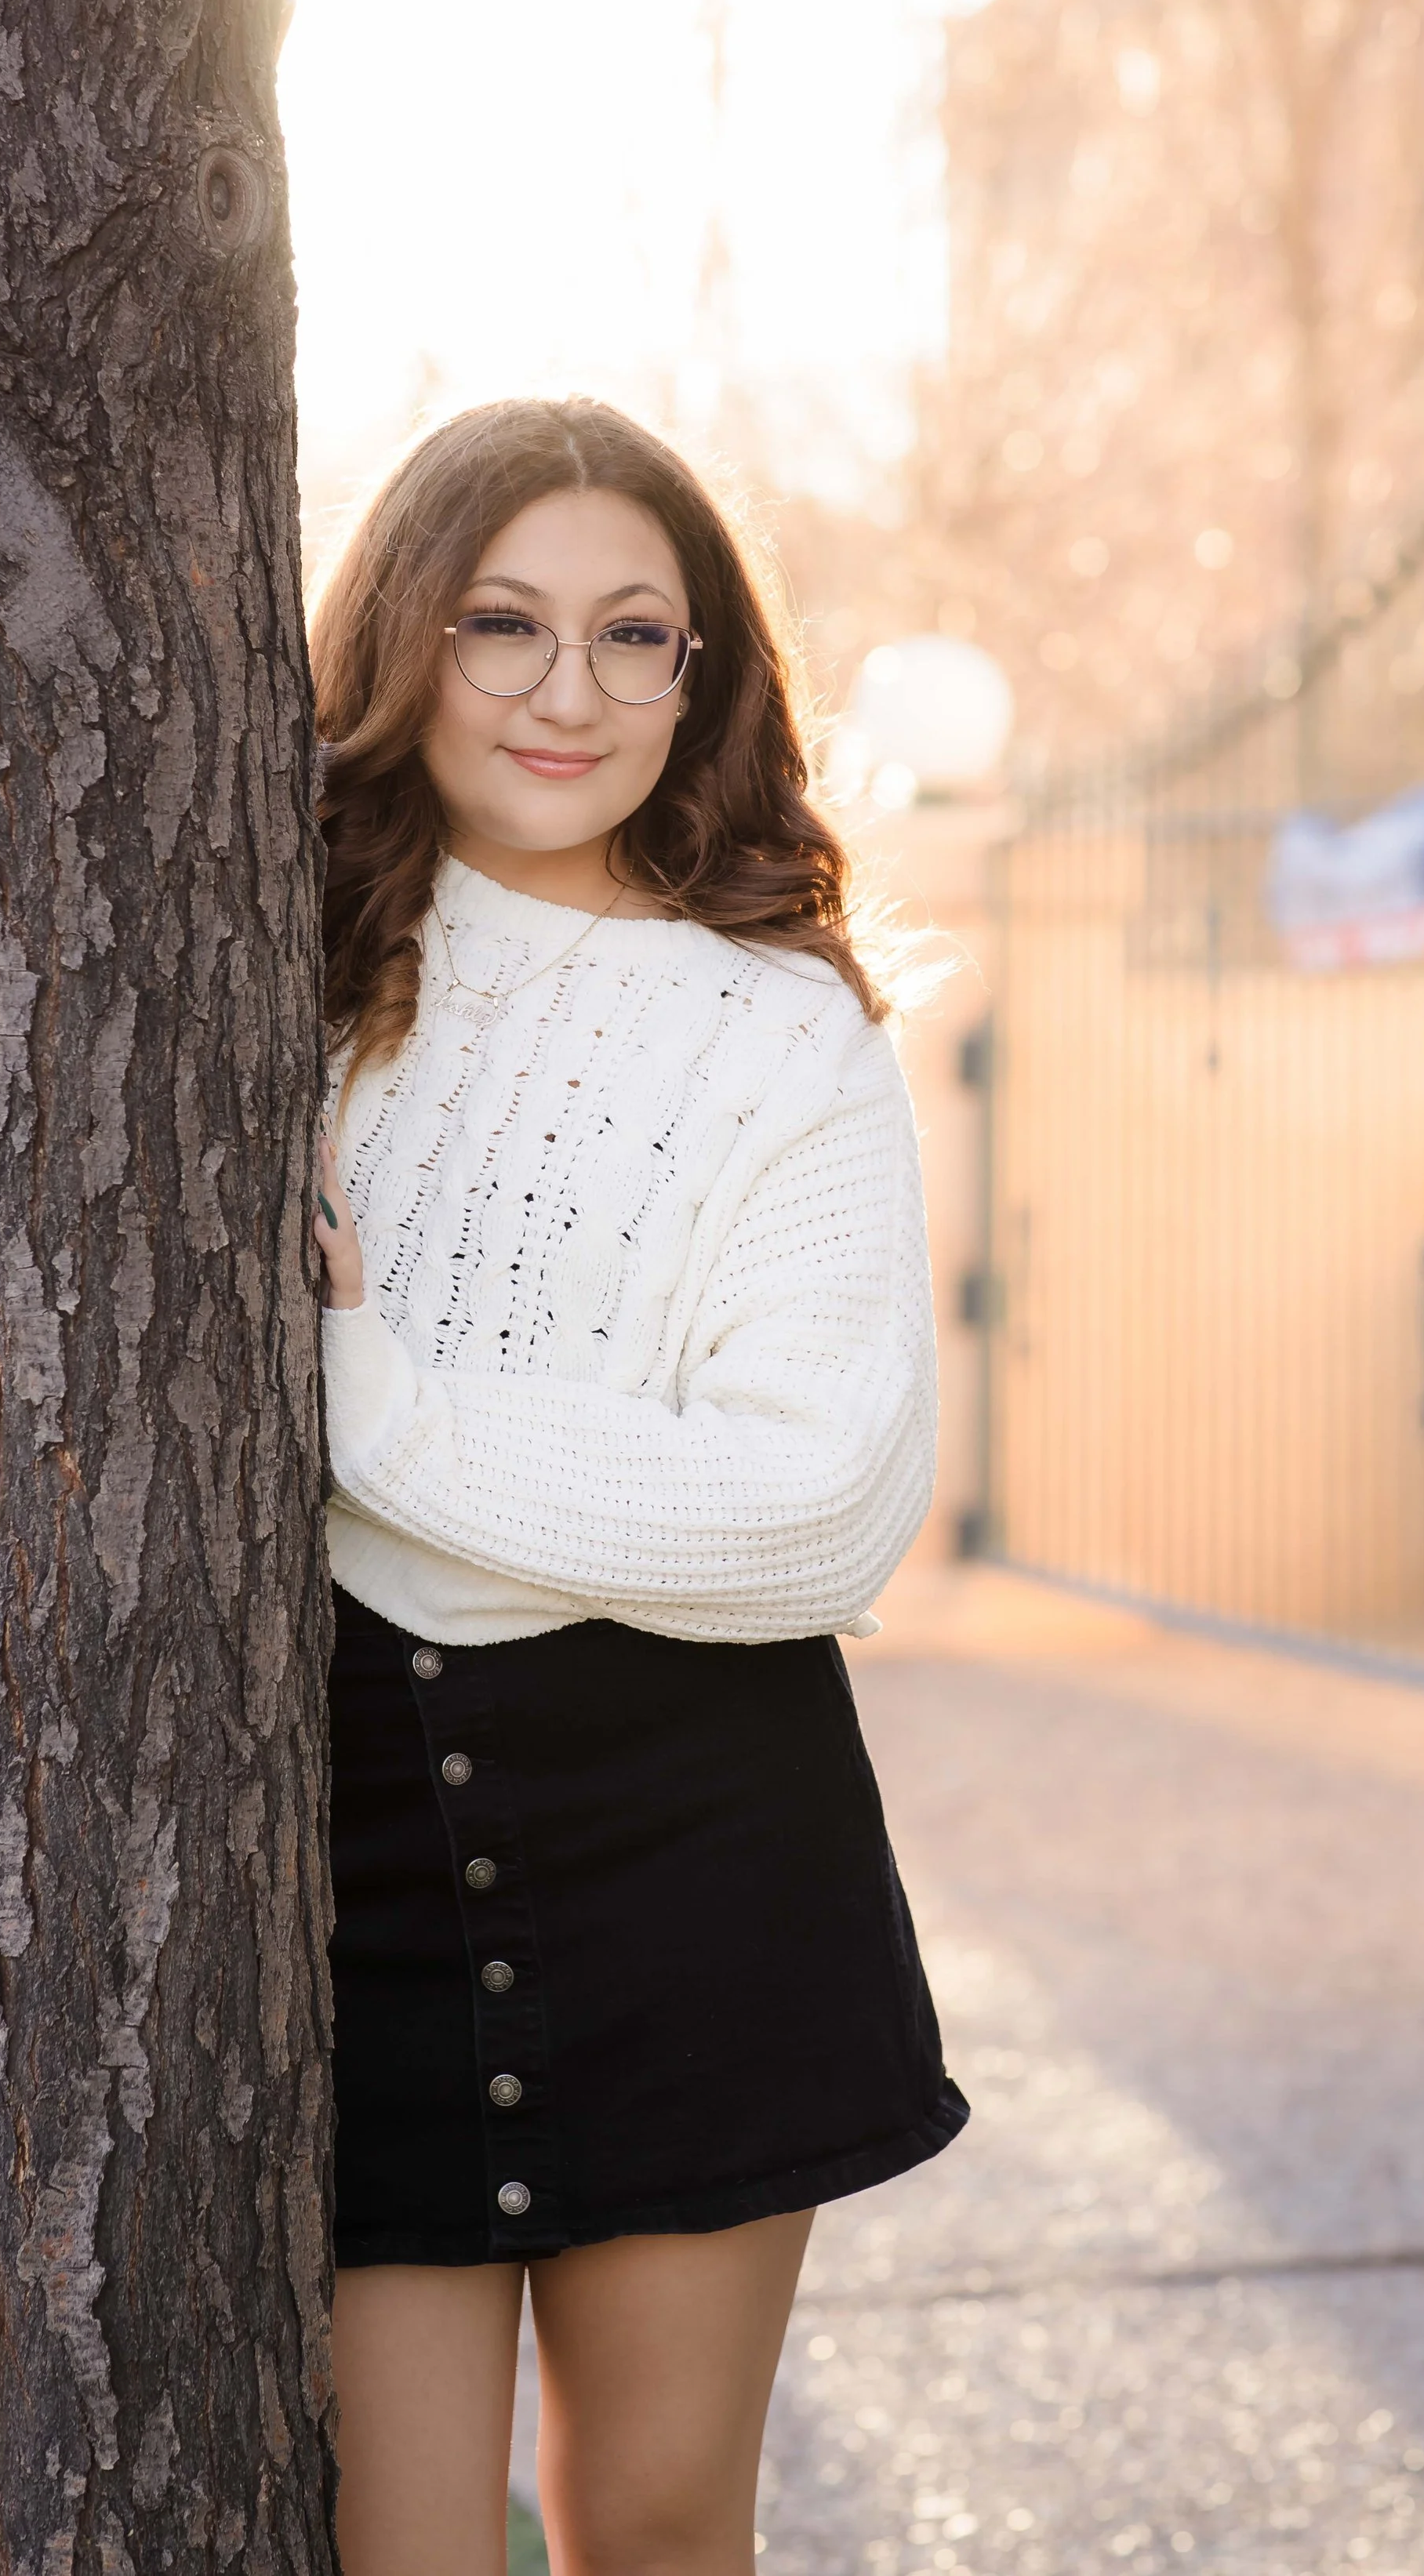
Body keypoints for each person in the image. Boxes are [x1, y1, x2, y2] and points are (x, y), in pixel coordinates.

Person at [309, 397, 967, 2576]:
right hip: (346, 1842)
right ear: (402, 634)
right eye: (501, 622)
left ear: (702, 679)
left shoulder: (781, 1035)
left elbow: (812, 1511)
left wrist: (359, 1404)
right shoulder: (263, 986)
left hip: (694, 1840)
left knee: (658, 2528)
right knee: (389, 2545)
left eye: (631, 635)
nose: (564, 692)